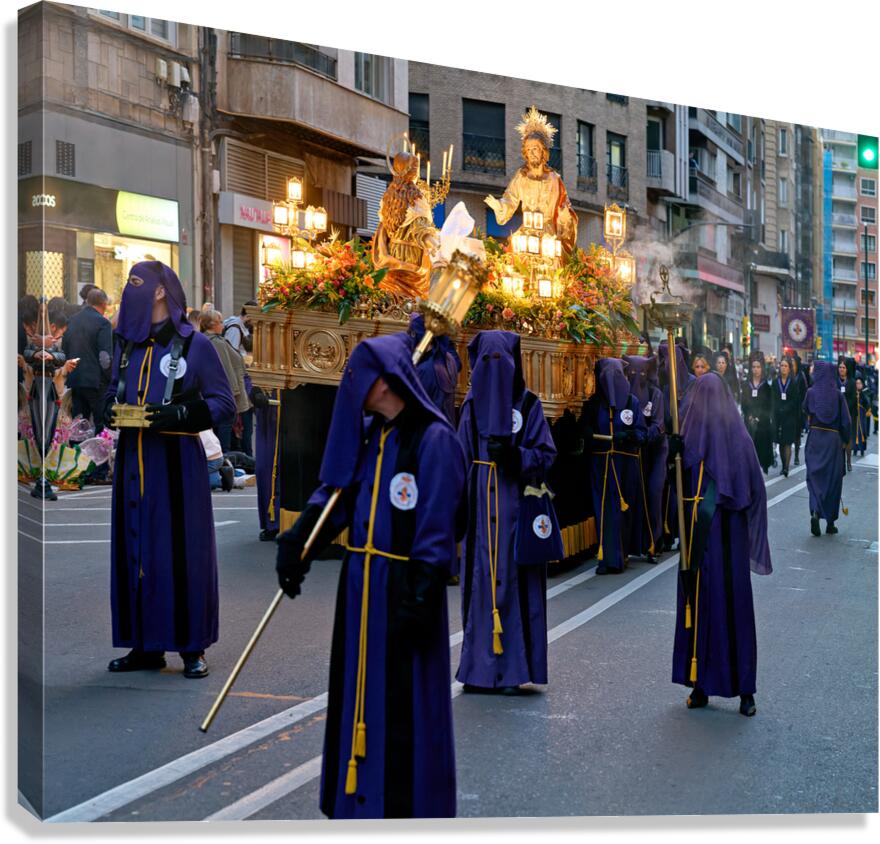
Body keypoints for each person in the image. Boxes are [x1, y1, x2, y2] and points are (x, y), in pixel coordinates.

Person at [275, 331, 466, 819]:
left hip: (405, 592)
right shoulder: (372, 437)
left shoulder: (435, 440)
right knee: (357, 693)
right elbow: (337, 497)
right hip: (361, 590)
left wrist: (419, 596)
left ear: (386, 382)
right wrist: (300, 543)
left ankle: (404, 811)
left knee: (403, 707)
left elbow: (437, 524)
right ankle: (358, 805)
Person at [103, 261, 236, 679]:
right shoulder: (128, 346)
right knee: (136, 551)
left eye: (136, 283)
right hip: (132, 463)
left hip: (178, 465)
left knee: (182, 554)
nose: (130, 290)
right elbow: (111, 392)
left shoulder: (195, 346)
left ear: (161, 291)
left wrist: (177, 412)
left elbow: (223, 404)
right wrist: (109, 410)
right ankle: (144, 645)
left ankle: (191, 646)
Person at [456, 331, 556, 690]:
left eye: (502, 363)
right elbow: (458, 459)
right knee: (480, 582)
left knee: (516, 583)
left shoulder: (529, 406)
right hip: (480, 510)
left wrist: (516, 457)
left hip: (517, 507)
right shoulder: (470, 406)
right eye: (487, 363)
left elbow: (546, 455)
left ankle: (515, 669)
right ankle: (477, 669)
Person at [670, 372, 772, 717]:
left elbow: (754, 490)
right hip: (702, 545)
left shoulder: (738, 440)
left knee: (731, 610)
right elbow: (678, 490)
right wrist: (672, 456)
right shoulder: (689, 438)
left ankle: (745, 690)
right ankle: (701, 684)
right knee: (702, 607)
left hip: (728, 544)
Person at [582, 357, 647, 573]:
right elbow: (586, 432)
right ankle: (608, 558)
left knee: (623, 510)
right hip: (601, 464)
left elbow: (642, 433)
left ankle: (623, 553)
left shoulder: (632, 403)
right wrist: (590, 435)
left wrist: (628, 435)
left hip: (625, 464)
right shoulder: (593, 404)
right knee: (604, 510)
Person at [623, 354, 667, 562]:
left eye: (641, 373)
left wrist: (643, 434)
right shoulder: (625, 396)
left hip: (655, 451)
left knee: (653, 493)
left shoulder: (654, 394)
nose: (637, 377)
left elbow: (659, 424)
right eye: (632, 373)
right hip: (634, 452)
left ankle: (654, 542)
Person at [804, 360, 851, 536]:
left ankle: (816, 511)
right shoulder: (838, 395)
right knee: (832, 480)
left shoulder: (811, 393)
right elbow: (846, 422)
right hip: (832, 440)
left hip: (815, 438)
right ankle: (830, 522)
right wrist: (845, 441)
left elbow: (805, 410)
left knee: (815, 478)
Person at [61, 287, 113, 439]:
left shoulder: (72, 320)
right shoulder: (103, 323)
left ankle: (77, 459)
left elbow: (65, 350)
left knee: (78, 426)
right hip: (96, 383)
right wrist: (110, 380)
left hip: (76, 380)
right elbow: (105, 358)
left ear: (88, 302)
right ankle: (98, 461)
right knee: (101, 425)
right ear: (104, 304)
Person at [200, 309, 251, 453]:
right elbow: (227, 370)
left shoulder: (212, 340)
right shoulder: (216, 342)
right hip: (227, 394)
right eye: (220, 322)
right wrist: (234, 395)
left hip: (219, 393)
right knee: (226, 430)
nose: (223, 324)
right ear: (212, 324)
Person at [251, 385, 281, 541]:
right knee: (265, 468)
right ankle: (272, 522)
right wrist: (253, 391)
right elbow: (248, 373)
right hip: (269, 413)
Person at [740, 351, 774, 475]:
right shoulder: (746, 384)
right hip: (749, 421)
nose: (756, 370)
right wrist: (749, 415)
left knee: (761, 448)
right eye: (753, 367)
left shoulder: (766, 386)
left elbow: (768, 405)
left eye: (758, 367)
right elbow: (743, 402)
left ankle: (762, 467)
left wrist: (759, 417)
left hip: (762, 422)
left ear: (762, 368)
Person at [771, 356, 800, 477]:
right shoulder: (775, 382)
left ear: (789, 369)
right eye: (781, 366)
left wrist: (786, 408)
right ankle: (783, 465)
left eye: (786, 366)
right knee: (781, 442)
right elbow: (772, 398)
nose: (783, 368)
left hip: (789, 416)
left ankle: (786, 467)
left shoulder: (793, 383)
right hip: (778, 415)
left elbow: (795, 400)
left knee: (788, 442)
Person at [837, 356, 857, 472]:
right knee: (839, 438)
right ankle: (840, 461)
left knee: (848, 438)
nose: (841, 369)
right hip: (837, 414)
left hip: (849, 414)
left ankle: (848, 461)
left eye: (843, 367)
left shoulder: (852, 382)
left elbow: (853, 398)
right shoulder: (835, 381)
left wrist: (845, 407)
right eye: (840, 367)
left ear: (847, 369)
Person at [790, 354, 808, 465]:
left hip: (798, 410)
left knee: (797, 434)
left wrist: (802, 407)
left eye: (793, 363)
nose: (791, 365)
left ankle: (796, 455)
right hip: (789, 408)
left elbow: (804, 393)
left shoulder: (801, 377)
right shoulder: (788, 375)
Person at [854, 376, 871, 457]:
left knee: (862, 433)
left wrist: (867, 410)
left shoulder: (864, 394)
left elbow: (867, 406)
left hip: (861, 418)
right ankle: (854, 449)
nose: (858, 385)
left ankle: (862, 450)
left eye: (860, 383)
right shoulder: (853, 394)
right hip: (854, 418)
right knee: (854, 432)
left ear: (862, 384)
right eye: (857, 383)